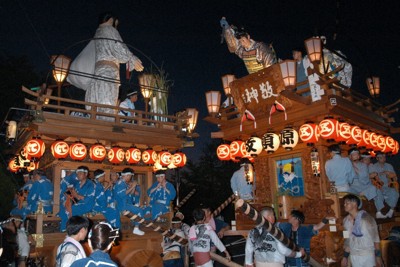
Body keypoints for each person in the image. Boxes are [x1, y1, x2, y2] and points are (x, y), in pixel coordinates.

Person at [84, 12, 144, 121]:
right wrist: (131, 58)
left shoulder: (98, 32)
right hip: (109, 71)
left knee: (99, 103)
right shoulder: (109, 30)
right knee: (107, 104)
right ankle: (106, 127)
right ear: (112, 20)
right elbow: (117, 46)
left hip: (98, 70)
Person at [341, 194, 383, 267]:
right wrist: (345, 257)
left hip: (368, 255)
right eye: (344, 203)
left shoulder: (367, 219)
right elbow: (347, 239)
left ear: (355, 204)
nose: (344, 205)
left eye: (347, 203)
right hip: (354, 255)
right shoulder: (345, 221)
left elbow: (376, 239)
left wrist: (378, 257)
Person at [347, 148, 386, 219]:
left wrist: (357, 173)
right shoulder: (348, 165)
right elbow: (349, 178)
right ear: (350, 156)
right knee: (350, 192)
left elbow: (364, 177)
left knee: (375, 189)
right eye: (354, 155)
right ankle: (360, 197)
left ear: (359, 156)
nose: (356, 156)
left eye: (357, 154)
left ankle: (379, 211)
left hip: (364, 185)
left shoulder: (363, 165)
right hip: (353, 187)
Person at [59, 166, 95, 232]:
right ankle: (67, 228)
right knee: (62, 210)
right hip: (78, 203)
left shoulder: (90, 184)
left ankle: (66, 231)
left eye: (80, 173)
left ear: (86, 174)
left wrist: (77, 195)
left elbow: (89, 199)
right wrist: (68, 193)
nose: (78, 175)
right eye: (77, 173)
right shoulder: (77, 183)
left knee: (67, 211)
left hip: (86, 205)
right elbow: (73, 195)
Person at [114, 168, 145, 235]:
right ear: (127, 175)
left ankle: (135, 227)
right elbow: (122, 194)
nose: (130, 177)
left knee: (140, 210)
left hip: (127, 204)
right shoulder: (120, 183)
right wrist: (132, 186)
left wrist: (133, 187)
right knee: (140, 211)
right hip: (122, 206)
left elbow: (131, 193)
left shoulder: (125, 183)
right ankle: (136, 228)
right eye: (130, 176)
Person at [368, 152, 399, 218]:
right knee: (377, 191)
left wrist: (389, 173)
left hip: (388, 187)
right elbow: (373, 179)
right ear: (377, 158)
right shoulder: (373, 166)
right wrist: (379, 185)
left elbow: (395, 178)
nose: (383, 159)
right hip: (378, 187)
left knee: (395, 192)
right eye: (381, 157)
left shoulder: (389, 166)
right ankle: (379, 212)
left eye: (384, 157)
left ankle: (391, 211)